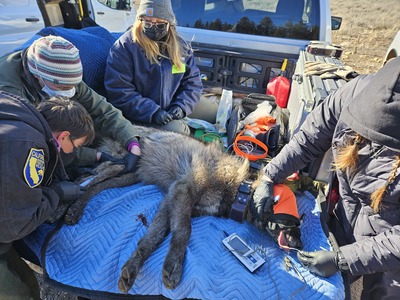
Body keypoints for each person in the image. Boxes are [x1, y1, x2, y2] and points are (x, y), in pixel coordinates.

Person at [251, 56, 400, 299]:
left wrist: (344, 260)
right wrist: (269, 176)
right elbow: (309, 138)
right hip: (346, 214)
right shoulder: (357, 91)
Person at [0, 91, 95, 299]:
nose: (71, 153)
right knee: (22, 293)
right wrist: (56, 193)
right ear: (63, 136)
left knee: (27, 282)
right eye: (75, 147)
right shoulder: (27, 148)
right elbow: (15, 226)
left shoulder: (14, 110)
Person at [0, 34, 141, 172]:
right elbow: (42, 142)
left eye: (73, 86)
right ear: (37, 75)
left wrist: (132, 142)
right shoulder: (10, 94)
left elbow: (102, 110)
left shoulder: (65, 78)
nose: (68, 92)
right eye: (62, 88)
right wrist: (95, 156)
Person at [104, 0, 218, 135]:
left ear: (169, 23)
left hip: (173, 102)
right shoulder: (124, 48)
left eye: (160, 24)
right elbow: (119, 92)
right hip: (142, 112)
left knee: (216, 113)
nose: (153, 28)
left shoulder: (180, 46)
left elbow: (192, 82)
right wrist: (153, 112)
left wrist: (181, 106)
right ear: (140, 21)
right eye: (148, 23)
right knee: (179, 131)